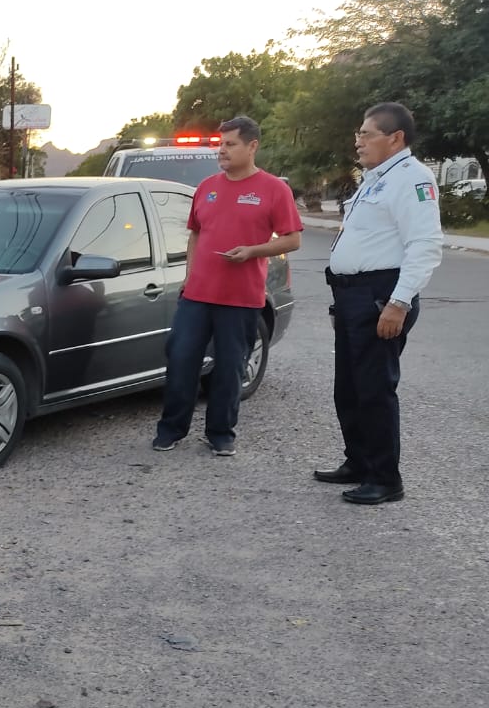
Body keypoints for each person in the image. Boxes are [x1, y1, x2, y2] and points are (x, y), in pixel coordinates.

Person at [314, 102, 443, 504]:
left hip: (381, 296)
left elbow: (424, 244)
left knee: (374, 390)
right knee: (348, 389)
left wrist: (398, 302)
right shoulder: (375, 179)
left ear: (395, 138)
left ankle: (386, 479)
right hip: (353, 295)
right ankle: (359, 461)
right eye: (358, 134)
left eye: (366, 134)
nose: (358, 141)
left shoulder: (413, 179)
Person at [152, 116, 301, 456]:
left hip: (242, 297)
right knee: (181, 359)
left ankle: (221, 433)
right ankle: (171, 429)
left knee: (231, 367)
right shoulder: (207, 187)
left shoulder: (274, 189)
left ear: (252, 146)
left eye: (231, 144)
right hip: (198, 295)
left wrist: (253, 251)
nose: (222, 150)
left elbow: (292, 240)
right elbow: (195, 233)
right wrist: (189, 276)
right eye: (221, 144)